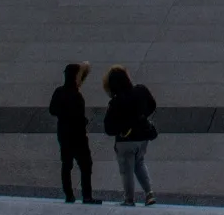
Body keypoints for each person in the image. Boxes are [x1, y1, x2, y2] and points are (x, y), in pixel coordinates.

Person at [102, 65, 159, 206]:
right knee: (139, 163)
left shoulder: (115, 102)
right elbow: (152, 104)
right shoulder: (141, 91)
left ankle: (129, 199)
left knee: (126, 170)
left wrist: (121, 128)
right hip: (143, 137)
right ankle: (149, 193)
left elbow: (108, 127)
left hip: (125, 141)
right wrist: (141, 116)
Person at [49, 63, 101, 204]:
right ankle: (87, 195)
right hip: (78, 136)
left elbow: (52, 110)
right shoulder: (77, 95)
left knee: (66, 164)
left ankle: (69, 195)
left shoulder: (59, 92)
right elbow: (79, 117)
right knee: (85, 165)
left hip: (64, 134)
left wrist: (64, 114)